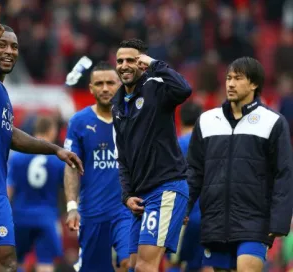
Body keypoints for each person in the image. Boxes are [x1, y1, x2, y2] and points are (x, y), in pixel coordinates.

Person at [0, 4, 83, 272]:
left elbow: (10, 135)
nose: (9, 51)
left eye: (14, 47)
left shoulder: (0, 92)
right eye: (2, 45)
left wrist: (55, 149)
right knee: (7, 261)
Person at [187, 56, 293, 272]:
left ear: (254, 84)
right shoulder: (207, 121)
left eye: (238, 78)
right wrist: (183, 207)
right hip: (215, 220)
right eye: (228, 78)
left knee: (246, 268)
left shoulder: (273, 121)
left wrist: (279, 221)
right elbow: (194, 172)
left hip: (254, 219)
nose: (231, 84)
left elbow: (284, 173)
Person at [111, 38, 192, 272]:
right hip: (141, 196)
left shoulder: (156, 86)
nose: (124, 65)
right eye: (120, 61)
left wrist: (155, 63)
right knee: (132, 265)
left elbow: (184, 89)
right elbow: (123, 156)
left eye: (131, 60)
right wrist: (127, 196)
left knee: (145, 266)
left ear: (142, 63)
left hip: (165, 188)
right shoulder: (118, 104)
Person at [64, 61, 131, 272]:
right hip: (93, 212)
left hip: (126, 211)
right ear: (91, 88)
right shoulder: (79, 121)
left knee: (130, 261)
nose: (105, 88)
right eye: (99, 83)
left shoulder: (133, 119)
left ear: (120, 85)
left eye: (110, 83)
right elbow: (72, 167)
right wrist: (72, 206)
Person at [7, 116, 65, 272]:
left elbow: (9, 189)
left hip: (20, 216)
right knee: (45, 262)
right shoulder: (57, 159)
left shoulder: (17, 157)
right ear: (51, 131)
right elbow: (67, 188)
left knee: (14, 262)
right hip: (46, 217)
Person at [166, 102, 213, 272]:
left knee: (175, 263)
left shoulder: (173, 146)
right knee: (207, 264)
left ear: (179, 119)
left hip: (181, 217)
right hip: (208, 216)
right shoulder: (212, 146)